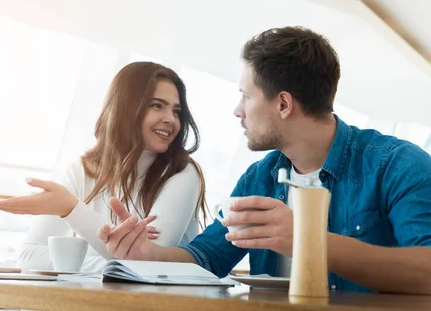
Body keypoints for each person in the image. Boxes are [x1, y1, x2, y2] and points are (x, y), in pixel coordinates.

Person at [97, 27, 431, 294]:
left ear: (283, 104)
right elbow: (207, 258)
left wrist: (307, 239)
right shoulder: (260, 178)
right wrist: (149, 256)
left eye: (246, 95)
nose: (238, 110)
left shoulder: (398, 165)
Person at [0, 61, 208, 272]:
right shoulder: (84, 170)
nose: (171, 119)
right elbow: (29, 255)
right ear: (126, 107)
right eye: (157, 106)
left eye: (176, 111)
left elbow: (146, 260)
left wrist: (72, 209)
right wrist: (110, 267)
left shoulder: (183, 173)